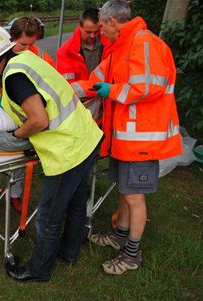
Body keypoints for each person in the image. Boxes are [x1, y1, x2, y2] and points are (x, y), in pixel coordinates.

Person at [0, 24, 103, 282]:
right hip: (86, 136)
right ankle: (69, 253)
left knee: (48, 216)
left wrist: (15, 135)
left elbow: (39, 120)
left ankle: (39, 269)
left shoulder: (14, 77)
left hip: (67, 150)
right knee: (76, 204)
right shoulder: (26, 59)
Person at [72, 0, 182, 275]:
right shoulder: (121, 48)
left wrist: (112, 91)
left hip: (143, 139)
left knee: (134, 196)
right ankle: (120, 234)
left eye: (101, 28)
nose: (99, 34)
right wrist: (64, 90)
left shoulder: (145, 43)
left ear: (112, 21)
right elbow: (95, 80)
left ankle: (132, 255)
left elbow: (147, 86)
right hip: (126, 138)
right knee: (124, 189)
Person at [0, 16, 55, 213]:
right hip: (6, 112)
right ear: (12, 39)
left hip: (29, 115)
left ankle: (15, 194)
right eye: (23, 44)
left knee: (19, 160)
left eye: (32, 44)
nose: (27, 49)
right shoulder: (3, 55)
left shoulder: (40, 56)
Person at [56, 8, 113, 84]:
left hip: (105, 94)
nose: (92, 36)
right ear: (80, 27)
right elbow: (67, 84)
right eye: (88, 32)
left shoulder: (110, 45)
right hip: (80, 95)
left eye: (96, 32)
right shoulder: (65, 51)